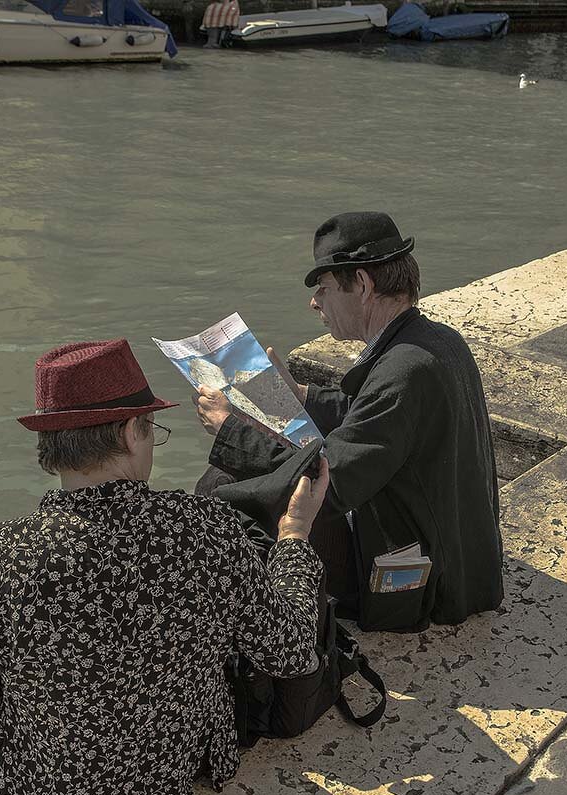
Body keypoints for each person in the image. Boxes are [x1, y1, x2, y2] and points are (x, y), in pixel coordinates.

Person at [0, 339, 328, 795]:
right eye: (152, 428)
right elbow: (290, 653)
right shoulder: (207, 528)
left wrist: (16, 722)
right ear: (132, 431)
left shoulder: (0, 554)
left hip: (51, 787)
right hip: (172, 770)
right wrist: (294, 536)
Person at [195, 211, 502, 633]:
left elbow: (328, 485)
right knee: (243, 476)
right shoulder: (433, 341)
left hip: (424, 584)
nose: (314, 302)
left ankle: (249, 631)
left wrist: (232, 431)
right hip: (461, 561)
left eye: (324, 288)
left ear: (362, 283)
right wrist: (299, 395)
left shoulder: (402, 371)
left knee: (222, 486)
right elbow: (373, 416)